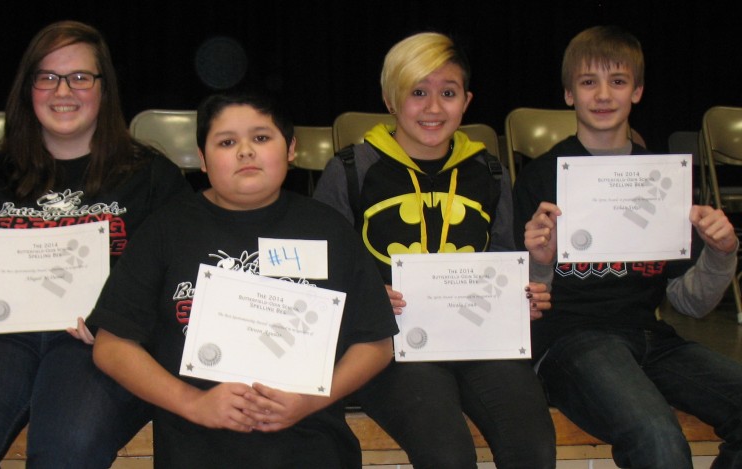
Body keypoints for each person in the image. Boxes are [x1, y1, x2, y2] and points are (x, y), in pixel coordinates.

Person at [0, 21, 190, 469]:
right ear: (28, 89)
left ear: (104, 89)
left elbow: (179, 281)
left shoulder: (152, 178)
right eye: (47, 77)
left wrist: (125, 323)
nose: (64, 91)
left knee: (67, 449)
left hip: (101, 343)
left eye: (80, 77)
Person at [87, 92, 398, 468]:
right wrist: (195, 404)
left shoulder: (328, 228)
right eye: (227, 142)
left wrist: (310, 401)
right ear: (202, 159)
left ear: (291, 150)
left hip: (311, 445)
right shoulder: (166, 230)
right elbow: (111, 346)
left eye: (262, 138)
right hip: (197, 449)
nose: (246, 151)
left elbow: (377, 343)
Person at [312, 32, 557, 468]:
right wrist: (362, 301)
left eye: (448, 93)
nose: (433, 107)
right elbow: (318, 273)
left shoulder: (491, 173)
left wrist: (526, 294)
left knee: (533, 451)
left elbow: (505, 263)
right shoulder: (350, 170)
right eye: (417, 93)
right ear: (390, 100)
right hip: (389, 348)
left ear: (467, 101)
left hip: (480, 342)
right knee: (448, 457)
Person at [513, 25, 742, 469]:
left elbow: (690, 303)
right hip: (569, 340)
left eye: (617, 82)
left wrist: (721, 251)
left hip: (651, 338)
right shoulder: (541, 177)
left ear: (636, 92)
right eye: (588, 82)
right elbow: (523, 305)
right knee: (658, 440)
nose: (603, 95)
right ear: (568, 94)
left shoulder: (661, 176)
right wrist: (541, 265)